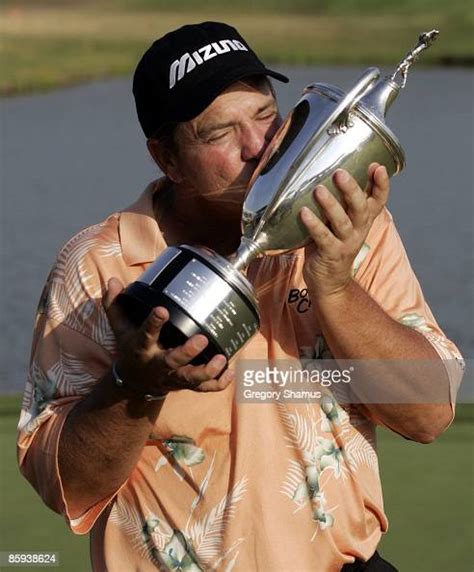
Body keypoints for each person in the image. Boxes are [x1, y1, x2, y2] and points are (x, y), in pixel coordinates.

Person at [17, 21, 464, 572]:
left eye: (265, 117)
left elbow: (428, 417)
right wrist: (134, 385)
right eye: (218, 134)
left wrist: (335, 283)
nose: (258, 148)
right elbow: (67, 488)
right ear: (167, 158)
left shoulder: (349, 230)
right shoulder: (97, 267)